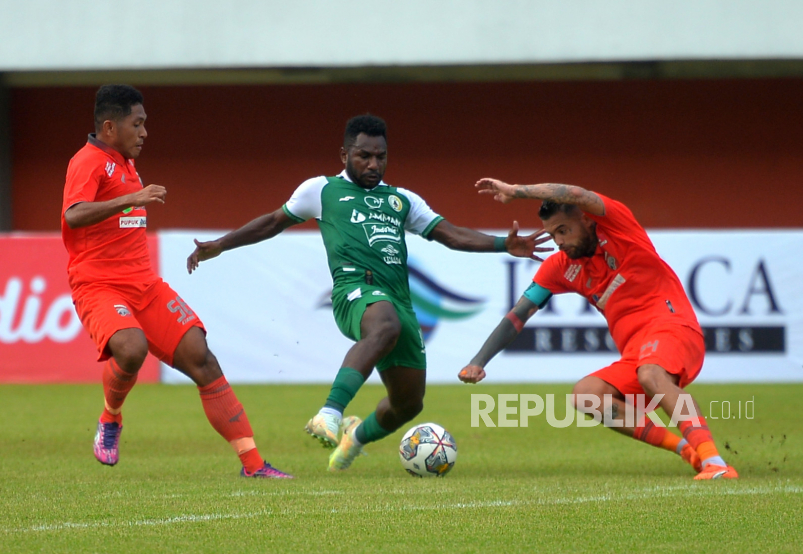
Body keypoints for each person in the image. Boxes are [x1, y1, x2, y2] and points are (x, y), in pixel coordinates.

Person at [187, 114, 552, 471]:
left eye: (381, 156)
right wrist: (220, 244)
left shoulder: (402, 201)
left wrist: (504, 243)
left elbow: (452, 235)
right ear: (344, 155)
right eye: (364, 155)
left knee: (409, 404)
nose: (373, 163)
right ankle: (329, 413)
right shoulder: (322, 190)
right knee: (385, 325)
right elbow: (271, 222)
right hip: (354, 291)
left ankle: (355, 437)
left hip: (399, 300)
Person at [61, 84, 292, 479]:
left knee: (202, 357)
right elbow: (74, 214)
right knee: (131, 349)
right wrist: (131, 200)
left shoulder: (125, 162)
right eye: (138, 123)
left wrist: (132, 197)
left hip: (145, 286)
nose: (145, 132)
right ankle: (110, 418)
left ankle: (254, 466)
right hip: (99, 286)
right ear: (109, 126)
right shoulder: (88, 161)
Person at [458, 177, 738, 480]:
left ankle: (716, 463)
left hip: (674, 329)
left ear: (587, 220)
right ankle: (686, 450)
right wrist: (478, 361)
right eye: (553, 235)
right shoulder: (561, 266)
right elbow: (518, 315)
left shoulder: (618, 226)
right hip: (637, 352)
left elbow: (576, 193)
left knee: (651, 374)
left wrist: (517, 192)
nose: (559, 242)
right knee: (586, 395)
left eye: (563, 230)